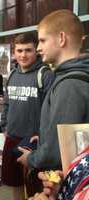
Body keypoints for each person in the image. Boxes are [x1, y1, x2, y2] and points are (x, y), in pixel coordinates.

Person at [17, 9, 89, 182]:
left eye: (42, 40)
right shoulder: (71, 77)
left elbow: (57, 151)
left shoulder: (69, 84)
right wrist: (45, 137)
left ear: (62, 39)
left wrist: (31, 159)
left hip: (65, 180)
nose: (39, 48)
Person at [0, 32, 53, 200]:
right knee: (14, 184)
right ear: (14, 52)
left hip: (34, 142)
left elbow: (51, 111)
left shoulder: (45, 75)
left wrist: (42, 135)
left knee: (34, 188)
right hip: (13, 137)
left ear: (36, 50)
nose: (23, 55)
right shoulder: (12, 75)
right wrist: (4, 126)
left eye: (28, 50)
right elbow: (7, 103)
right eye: (19, 50)